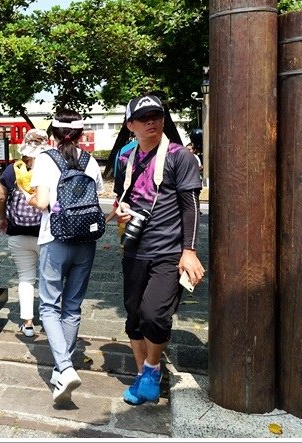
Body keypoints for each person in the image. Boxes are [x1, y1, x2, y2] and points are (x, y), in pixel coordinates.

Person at [112, 94, 205, 405]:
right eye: (143, 118)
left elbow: (191, 207)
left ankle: (152, 368)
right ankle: (142, 377)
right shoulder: (126, 157)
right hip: (134, 249)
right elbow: (120, 198)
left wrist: (188, 250)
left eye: (156, 115)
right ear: (130, 126)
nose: (151, 121)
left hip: (168, 251)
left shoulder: (181, 157)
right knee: (134, 317)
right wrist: (122, 210)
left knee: (155, 315)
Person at [25, 109, 103, 405]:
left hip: (55, 240)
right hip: (86, 240)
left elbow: (43, 202)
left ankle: (66, 367)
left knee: (48, 307)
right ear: (81, 135)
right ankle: (61, 370)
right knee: (72, 306)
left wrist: (30, 197)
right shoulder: (90, 161)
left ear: (53, 134)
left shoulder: (46, 159)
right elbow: (96, 195)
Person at [0, 128, 50, 338]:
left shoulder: (12, 170)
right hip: (46, 234)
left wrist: (3, 218)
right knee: (49, 279)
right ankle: (49, 321)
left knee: (26, 279)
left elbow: (1, 198)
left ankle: (27, 324)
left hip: (17, 233)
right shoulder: (51, 169)